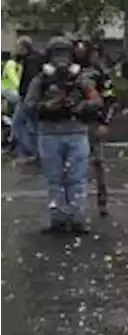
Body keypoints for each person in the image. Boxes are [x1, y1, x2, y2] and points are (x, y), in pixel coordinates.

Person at [24, 36, 102, 233]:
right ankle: (58, 218)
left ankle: (77, 218)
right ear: (49, 56)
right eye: (57, 54)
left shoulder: (80, 79)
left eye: (65, 54)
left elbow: (96, 101)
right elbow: (28, 106)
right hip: (50, 134)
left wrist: (80, 106)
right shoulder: (41, 80)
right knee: (55, 179)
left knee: (76, 179)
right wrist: (47, 106)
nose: (61, 59)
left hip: (75, 132)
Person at [73, 39, 117, 217]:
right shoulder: (69, 72)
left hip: (92, 122)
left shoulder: (99, 73)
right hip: (72, 123)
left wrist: (105, 122)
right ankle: (75, 202)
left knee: (97, 162)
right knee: (74, 164)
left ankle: (102, 201)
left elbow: (111, 100)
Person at [11, 37, 44, 161]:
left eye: (18, 47)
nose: (16, 50)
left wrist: (27, 97)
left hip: (27, 98)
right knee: (33, 126)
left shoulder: (31, 61)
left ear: (24, 47)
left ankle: (31, 151)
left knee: (19, 124)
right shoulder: (37, 58)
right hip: (32, 98)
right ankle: (35, 152)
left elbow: (30, 80)